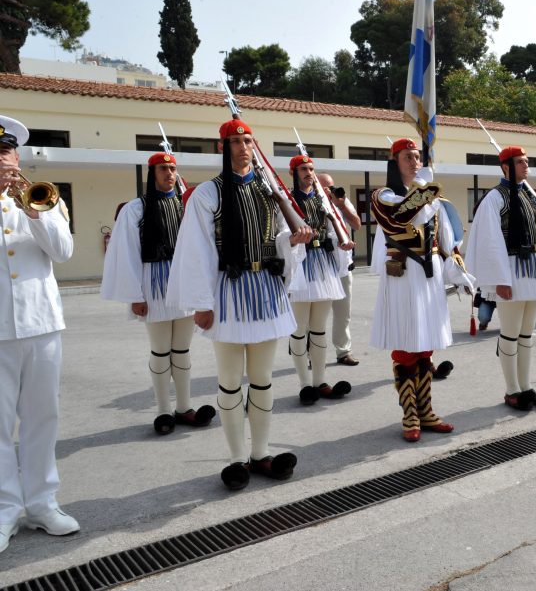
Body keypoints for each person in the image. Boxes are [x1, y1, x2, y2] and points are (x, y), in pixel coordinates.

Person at [167, 118, 311, 490]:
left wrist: (293, 240)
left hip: (265, 289)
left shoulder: (268, 189)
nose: (243, 147)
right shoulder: (206, 195)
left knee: (262, 381)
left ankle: (261, 452)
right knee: (230, 382)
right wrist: (201, 302)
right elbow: (196, 251)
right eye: (236, 141)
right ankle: (236, 458)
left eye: (248, 141)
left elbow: (277, 237)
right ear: (223, 148)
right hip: (227, 292)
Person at [1, 115, 79, 553]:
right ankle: (5, 508)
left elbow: (64, 252)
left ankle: (43, 501)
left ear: (18, 156)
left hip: (41, 323)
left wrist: (35, 213)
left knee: (42, 417)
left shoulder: (42, 198)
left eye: (7, 153)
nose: (4, 161)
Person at [101, 151, 216, 435]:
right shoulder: (135, 209)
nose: (169, 174)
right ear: (152, 173)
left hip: (183, 283)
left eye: (173, 169)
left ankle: (184, 407)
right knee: (161, 350)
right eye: (164, 169)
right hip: (153, 285)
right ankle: (163, 409)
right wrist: (134, 295)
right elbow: (126, 254)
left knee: (182, 350)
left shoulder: (187, 206)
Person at [370, 138, 473, 440]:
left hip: (429, 276)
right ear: (395, 162)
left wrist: (458, 273)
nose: (414, 162)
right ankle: (410, 413)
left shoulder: (433, 200)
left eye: (417, 157)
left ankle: (425, 410)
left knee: (425, 343)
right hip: (402, 276)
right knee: (405, 344)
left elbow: (445, 242)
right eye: (407, 157)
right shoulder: (382, 195)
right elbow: (402, 216)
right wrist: (427, 193)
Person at [464, 145, 536, 410]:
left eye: (526, 161)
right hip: (510, 269)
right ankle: (512, 390)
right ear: (506, 166)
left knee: (527, 334)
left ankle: (526, 386)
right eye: (520, 162)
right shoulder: (495, 198)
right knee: (510, 333)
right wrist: (500, 279)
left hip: (533, 269)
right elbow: (490, 241)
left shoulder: (532, 196)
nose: (526, 165)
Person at [286, 156, 351, 405]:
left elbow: (334, 229)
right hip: (301, 266)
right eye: (303, 169)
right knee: (300, 330)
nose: (309, 173)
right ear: (294, 172)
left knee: (319, 329)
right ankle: (305, 384)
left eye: (311, 169)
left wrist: (341, 243)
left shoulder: (322, 199)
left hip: (322, 264)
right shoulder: (288, 200)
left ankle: (320, 381)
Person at [319, 174, 363, 366]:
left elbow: (357, 224)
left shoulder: (341, 201)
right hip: (321, 269)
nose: (330, 190)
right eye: (325, 187)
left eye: (331, 186)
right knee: (316, 317)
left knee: (343, 313)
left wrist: (342, 205)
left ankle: (343, 351)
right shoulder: (310, 202)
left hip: (343, 268)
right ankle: (311, 353)